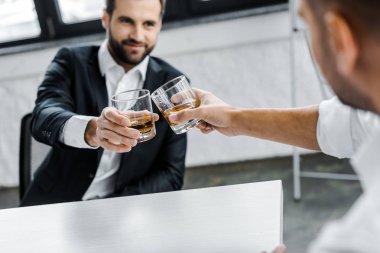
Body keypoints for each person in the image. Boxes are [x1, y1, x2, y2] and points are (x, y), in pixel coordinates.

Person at [169, 0, 380, 252]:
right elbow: (342, 124)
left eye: (308, 26)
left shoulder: (358, 240)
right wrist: (232, 117)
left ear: (339, 40)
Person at [21, 0, 187, 206]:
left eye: (148, 24)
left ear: (159, 25)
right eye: (127, 21)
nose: (137, 35)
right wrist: (91, 130)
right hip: (55, 206)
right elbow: (43, 117)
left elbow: (171, 174)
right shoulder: (70, 61)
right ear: (106, 19)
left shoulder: (170, 84)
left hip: (127, 210)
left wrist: (113, 207)